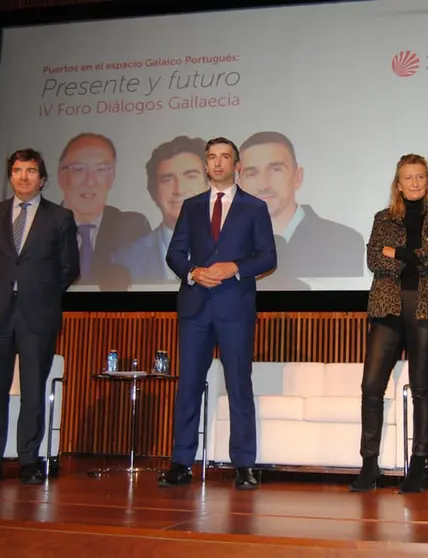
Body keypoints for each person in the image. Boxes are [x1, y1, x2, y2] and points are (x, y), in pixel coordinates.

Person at [158, 137, 277, 490]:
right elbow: (175, 254)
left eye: (225, 157)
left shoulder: (254, 207)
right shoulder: (192, 206)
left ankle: (244, 464)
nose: (218, 163)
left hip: (235, 307)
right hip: (196, 307)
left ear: (237, 165)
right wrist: (194, 272)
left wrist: (234, 267)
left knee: (239, 385)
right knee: (189, 385)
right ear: (206, 165)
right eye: (212, 157)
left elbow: (268, 257)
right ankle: (181, 462)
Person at [0, 148, 80, 484]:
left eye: (31, 171)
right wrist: (3, 288)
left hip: (38, 314)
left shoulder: (59, 217)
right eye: (17, 170)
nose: (23, 177)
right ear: (10, 175)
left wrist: (38, 290)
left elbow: (68, 268)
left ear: (42, 178)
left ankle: (29, 459)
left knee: (33, 390)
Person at [350, 153, 428, 494]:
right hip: (387, 308)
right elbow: (375, 259)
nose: (415, 183)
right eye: (408, 177)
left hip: (427, 308)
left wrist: (400, 252)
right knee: (371, 387)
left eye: (420, 177)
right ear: (398, 183)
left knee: (422, 388)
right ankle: (369, 465)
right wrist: (414, 255)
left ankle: (419, 466)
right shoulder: (383, 219)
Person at [238, 131, 365, 284]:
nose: (264, 184)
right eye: (251, 174)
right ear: (239, 183)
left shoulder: (345, 240)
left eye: (276, 169)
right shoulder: (229, 240)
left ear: (297, 177)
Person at [56, 132, 151, 287]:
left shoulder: (132, 227)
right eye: (78, 169)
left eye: (100, 169)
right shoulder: (43, 227)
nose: (90, 181)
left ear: (112, 177)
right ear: (62, 175)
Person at [111, 136, 209, 284]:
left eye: (190, 176)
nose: (179, 190)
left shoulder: (237, 248)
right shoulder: (124, 259)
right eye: (167, 179)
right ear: (153, 192)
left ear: (209, 185)